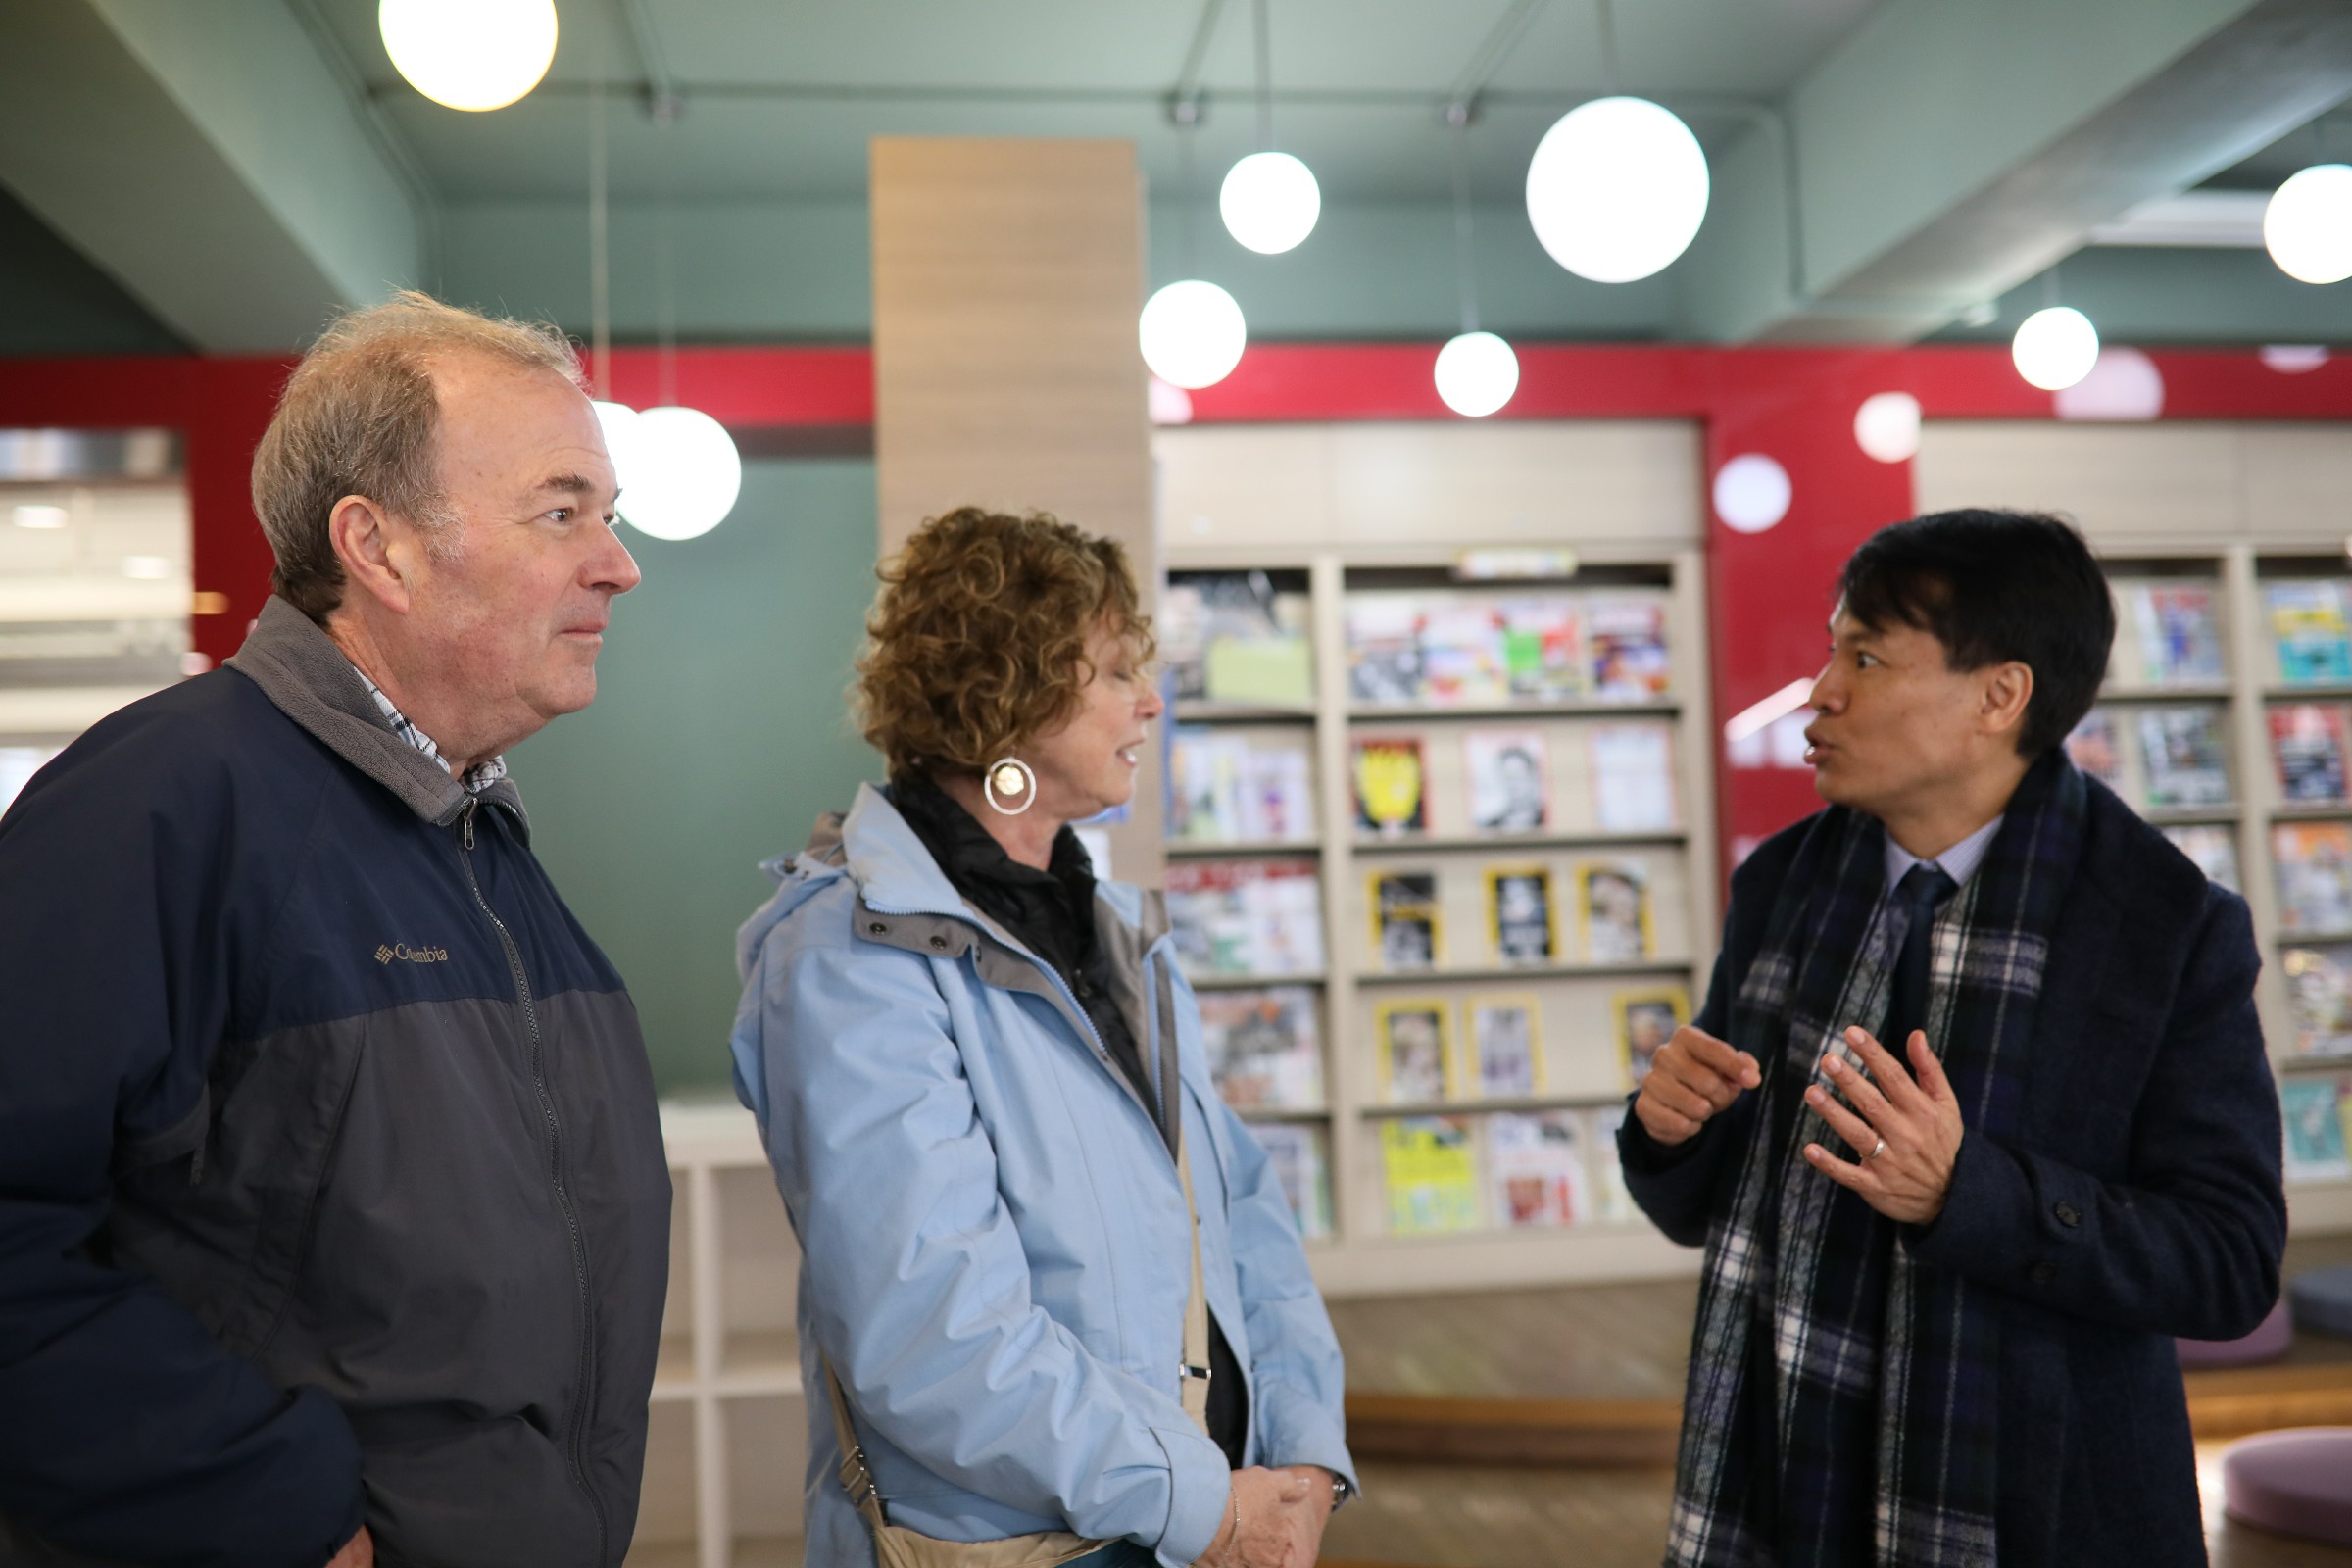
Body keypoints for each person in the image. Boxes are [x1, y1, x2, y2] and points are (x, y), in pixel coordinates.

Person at [0, 293, 670, 1568]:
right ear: (379, 547)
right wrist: (273, 1512)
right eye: (561, 512)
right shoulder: (156, 805)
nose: (616, 564)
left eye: (612, 517)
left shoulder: (479, 841)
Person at [1621, 509, 2284, 1567]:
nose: (1821, 691)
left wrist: (1963, 1191)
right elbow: (1706, 1204)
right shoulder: (1784, 882)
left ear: (1999, 696)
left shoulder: (2162, 926)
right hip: (1782, 1466)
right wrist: (1671, 1132)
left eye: (1867, 658)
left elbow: (2229, 1263)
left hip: (2037, 1500)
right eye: (1833, 650)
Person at [731, 508, 1356, 1568]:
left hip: (1208, 1522)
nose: (1149, 701)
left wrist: (1303, 1463)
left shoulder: (1118, 934)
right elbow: (932, 1332)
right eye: (1113, 672)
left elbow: (1242, 1215)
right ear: (1004, 698)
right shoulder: (850, 954)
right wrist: (1199, 1501)